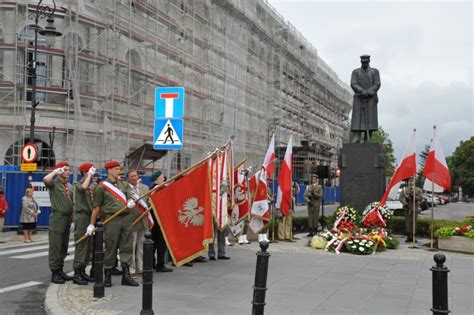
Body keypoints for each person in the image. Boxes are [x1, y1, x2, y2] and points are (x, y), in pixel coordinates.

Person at [87, 161, 139, 287]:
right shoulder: (101, 187)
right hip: (112, 220)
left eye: (119, 169)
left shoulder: (124, 184)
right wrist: (92, 224)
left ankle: (126, 275)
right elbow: (97, 207)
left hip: (126, 218)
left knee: (127, 247)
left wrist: (130, 202)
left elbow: (129, 196)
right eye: (116, 169)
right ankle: (108, 276)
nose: (119, 171)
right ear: (109, 170)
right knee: (111, 247)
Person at [44, 161, 74, 284]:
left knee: (64, 246)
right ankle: (55, 272)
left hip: (67, 218)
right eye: (65, 170)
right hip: (58, 218)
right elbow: (45, 179)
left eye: (68, 169)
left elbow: (72, 204)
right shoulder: (54, 184)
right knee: (56, 246)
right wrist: (56, 171)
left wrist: (73, 221)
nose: (67, 172)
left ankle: (60, 269)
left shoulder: (69, 186)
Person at [72, 163, 96, 285]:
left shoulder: (92, 185)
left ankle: (82, 271)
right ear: (84, 172)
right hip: (82, 217)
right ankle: (77, 272)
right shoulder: (79, 184)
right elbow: (82, 188)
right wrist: (89, 175)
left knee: (88, 247)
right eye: (90, 171)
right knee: (81, 244)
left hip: (90, 217)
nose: (93, 173)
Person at [350, 54, 381, 143]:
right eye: (363, 62)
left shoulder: (375, 72)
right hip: (359, 97)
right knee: (357, 118)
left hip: (371, 97)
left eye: (366, 62)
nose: (364, 64)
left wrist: (369, 92)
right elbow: (353, 83)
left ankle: (368, 137)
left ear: (369, 61)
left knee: (370, 118)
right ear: (361, 62)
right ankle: (356, 136)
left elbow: (377, 83)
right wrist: (362, 91)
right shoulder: (355, 72)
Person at [149, 171, 174, 272]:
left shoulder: (151, 189)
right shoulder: (160, 189)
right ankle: (160, 264)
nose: (164, 179)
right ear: (157, 179)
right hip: (160, 220)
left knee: (153, 243)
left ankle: (151, 264)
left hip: (154, 220)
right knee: (161, 243)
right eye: (162, 178)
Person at [127, 169, 149, 276]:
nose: (134, 178)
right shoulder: (125, 189)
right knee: (131, 246)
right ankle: (131, 269)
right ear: (128, 178)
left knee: (141, 246)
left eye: (135, 176)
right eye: (131, 176)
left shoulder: (145, 188)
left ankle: (140, 267)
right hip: (132, 221)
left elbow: (148, 203)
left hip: (143, 220)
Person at [399, 177, 423, 242]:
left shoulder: (418, 189)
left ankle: (414, 236)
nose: (411, 182)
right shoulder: (404, 189)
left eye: (412, 181)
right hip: (407, 207)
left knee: (414, 222)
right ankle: (408, 236)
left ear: (414, 182)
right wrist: (405, 203)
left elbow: (420, 198)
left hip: (414, 208)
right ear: (408, 182)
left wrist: (412, 195)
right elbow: (401, 197)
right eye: (410, 181)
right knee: (407, 222)